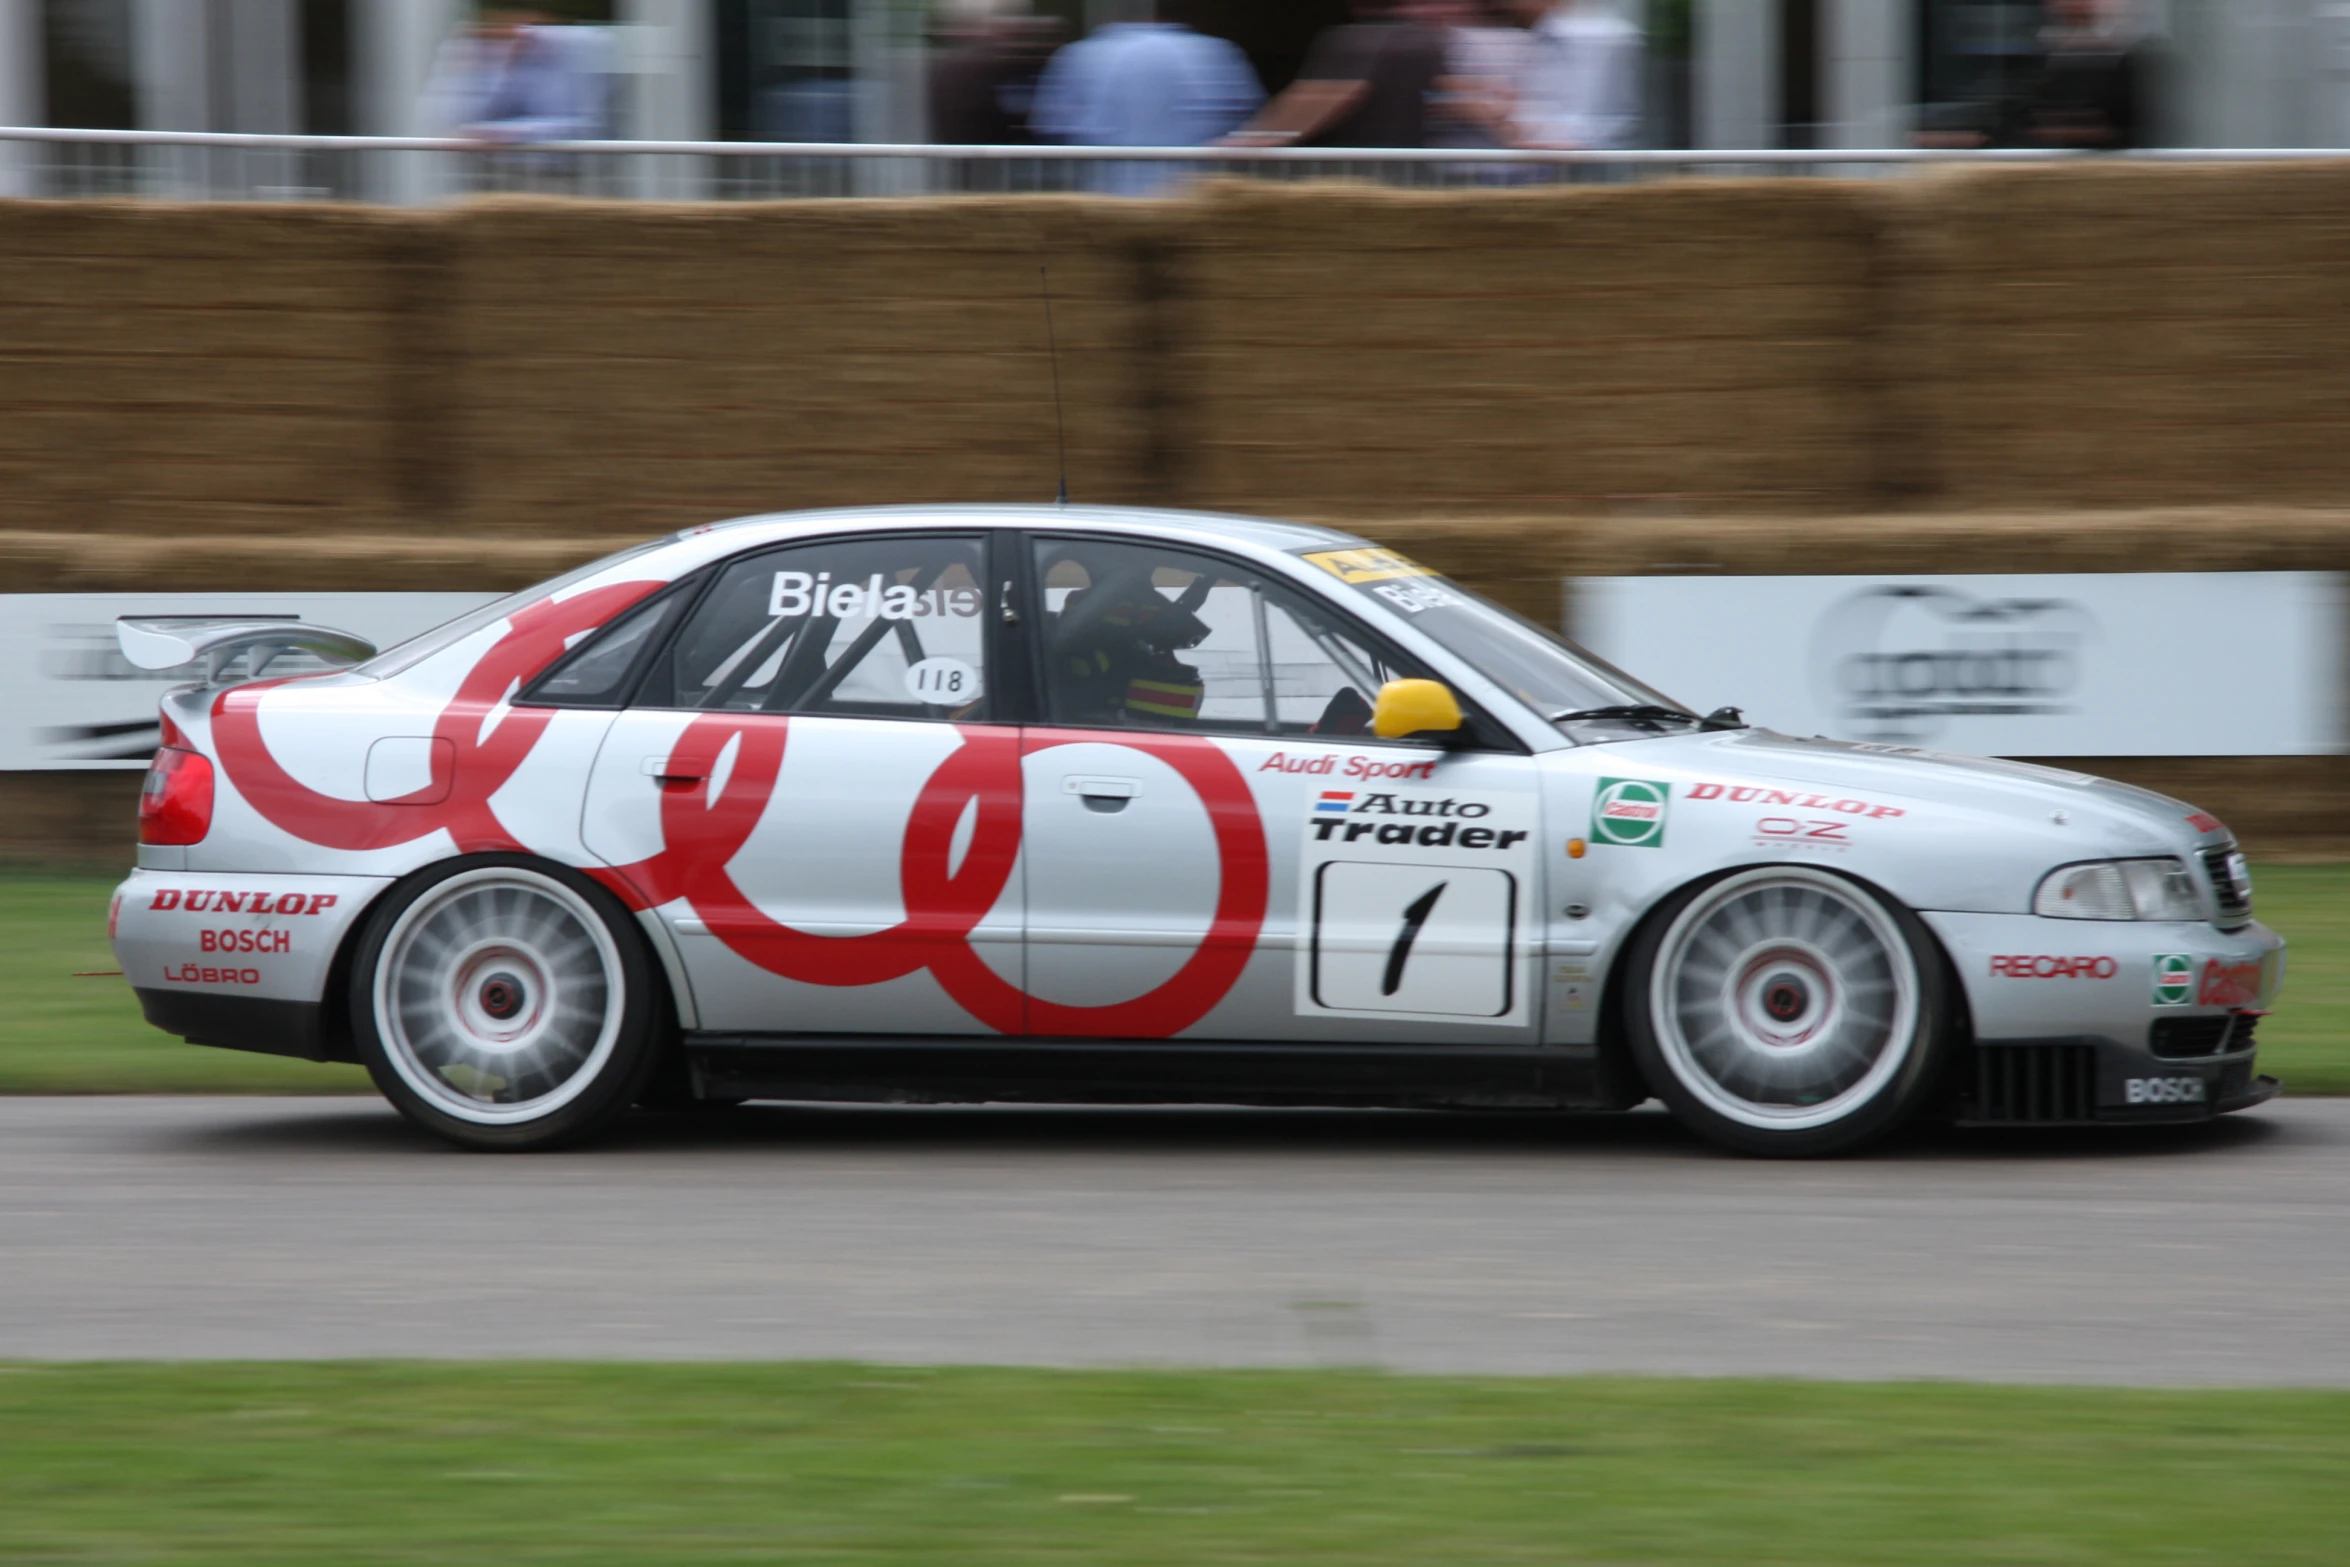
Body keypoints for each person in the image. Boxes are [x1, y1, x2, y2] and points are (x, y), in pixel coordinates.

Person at [1028, 0, 1264, 195]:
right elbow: (1244, 126)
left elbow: (1052, 125)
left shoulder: (1080, 55)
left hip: (1105, 199)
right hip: (1190, 201)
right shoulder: (1216, 53)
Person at [1225, 1, 1452, 150]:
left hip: (1362, 166)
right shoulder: (1428, 42)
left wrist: (1254, 139)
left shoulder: (1356, 39)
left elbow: (1328, 94)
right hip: (1411, 163)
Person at [422, 6, 608, 148]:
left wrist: (493, 134)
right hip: (503, 173)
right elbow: (440, 119)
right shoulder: (494, 60)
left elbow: (579, 125)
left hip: (562, 172)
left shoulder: (571, 52)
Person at [1513, 0, 1642, 155]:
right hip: (1549, 152)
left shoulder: (1600, 35)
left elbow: (1599, 105)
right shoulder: (1541, 32)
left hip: (1585, 155)